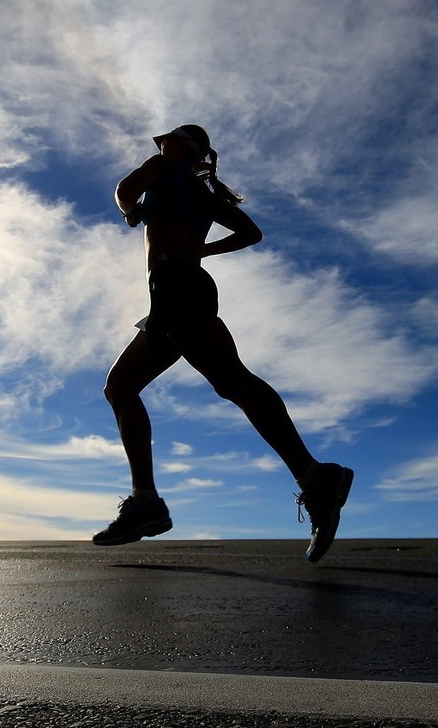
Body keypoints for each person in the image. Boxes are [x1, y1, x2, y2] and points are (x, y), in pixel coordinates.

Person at [94, 123, 354, 563]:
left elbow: (123, 189)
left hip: (177, 286)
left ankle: (315, 477)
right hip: (176, 290)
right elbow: (251, 233)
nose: (160, 145)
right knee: (123, 387)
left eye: (167, 139)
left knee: (232, 381)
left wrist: (132, 210)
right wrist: (204, 251)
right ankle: (147, 503)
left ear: (183, 146)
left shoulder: (163, 166)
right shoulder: (202, 194)